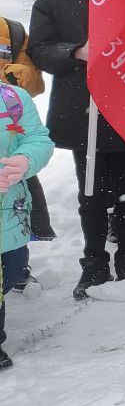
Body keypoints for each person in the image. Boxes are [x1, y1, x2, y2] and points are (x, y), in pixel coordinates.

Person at [28, 0, 125, 299]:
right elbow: (39, 50)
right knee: (91, 194)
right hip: (84, 114)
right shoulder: (54, 1)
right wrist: (76, 52)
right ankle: (94, 261)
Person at [0, 81, 54, 369]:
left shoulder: (12, 99)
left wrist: (25, 159)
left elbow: (38, 139)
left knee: (13, 269)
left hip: (9, 212)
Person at [0, 14, 55, 243]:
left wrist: (17, 77)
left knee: (18, 182)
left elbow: (36, 84)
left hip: (8, 122)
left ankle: (26, 246)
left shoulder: (12, 31)